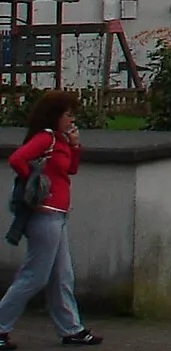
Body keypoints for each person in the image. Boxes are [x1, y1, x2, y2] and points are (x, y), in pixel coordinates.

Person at [0, 91, 100, 347]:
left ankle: (71, 329)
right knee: (35, 275)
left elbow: (70, 170)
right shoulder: (45, 137)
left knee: (61, 276)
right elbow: (17, 159)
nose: (71, 120)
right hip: (45, 215)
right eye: (68, 115)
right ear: (54, 115)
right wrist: (35, 183)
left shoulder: (59, 140)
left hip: (57, 215)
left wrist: (75, 145)